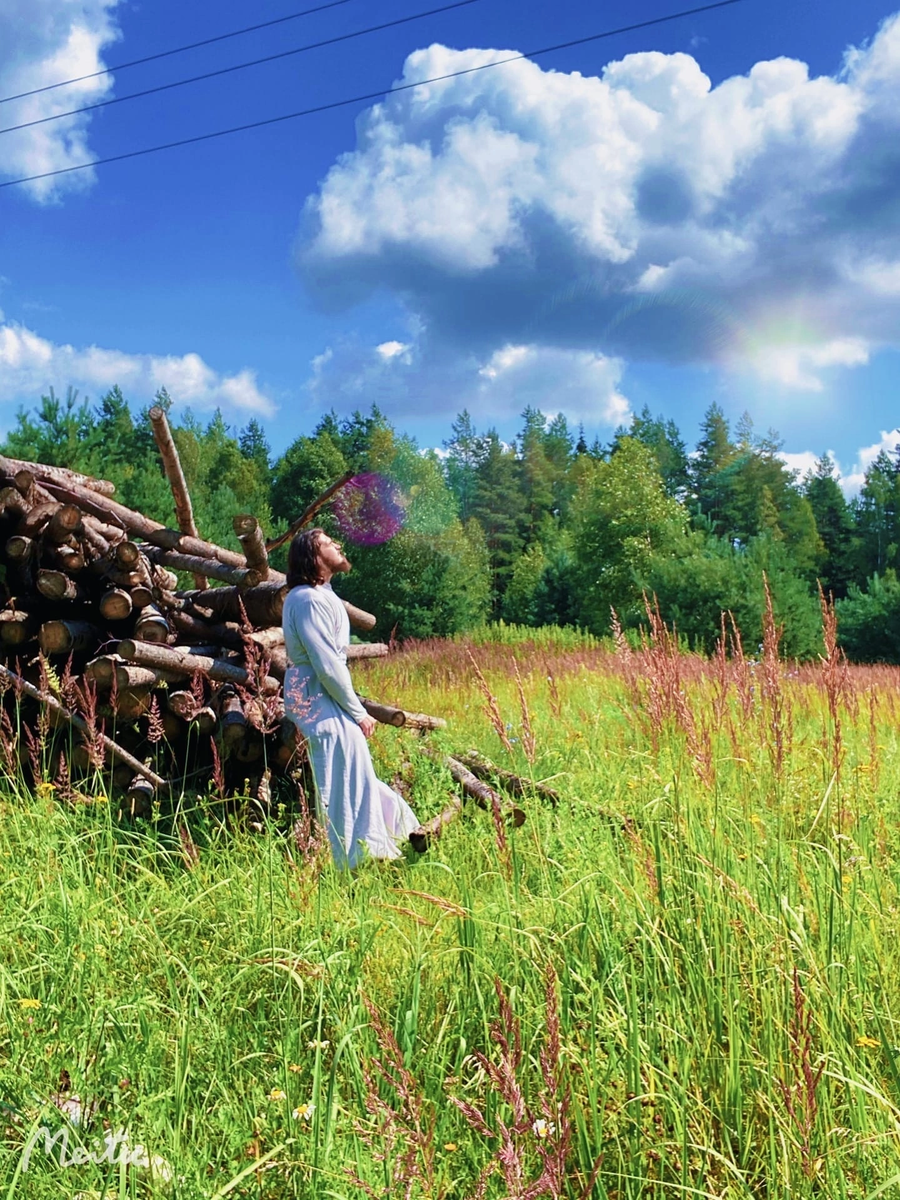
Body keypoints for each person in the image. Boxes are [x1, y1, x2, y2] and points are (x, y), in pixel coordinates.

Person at [281, 527, 420, 869]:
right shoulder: (307, 599)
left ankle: (393, 837)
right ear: (313, 557)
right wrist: (358, 712)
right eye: (328, 543)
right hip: (314, 693)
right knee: (338, 776)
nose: (338, 545)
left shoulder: (319, 595)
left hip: (318, 691)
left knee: (353, 769)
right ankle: (352, 862)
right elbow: (326, 663)